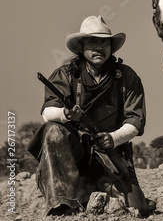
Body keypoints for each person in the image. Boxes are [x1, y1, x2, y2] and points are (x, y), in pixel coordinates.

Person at [28, 15, 155, 217]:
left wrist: (113, 139)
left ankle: (93, 188)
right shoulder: (65, 74)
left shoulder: (127, 77)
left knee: (138, 207)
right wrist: (65, 114)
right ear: (81, 47)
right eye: (93, 41)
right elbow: (47, 112)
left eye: (104, 42)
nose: (99, 47)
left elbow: (135, 122)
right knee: (53, 130)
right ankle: (61, 203)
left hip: (109, 154)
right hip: (74, 152)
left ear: (111, 47)